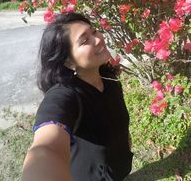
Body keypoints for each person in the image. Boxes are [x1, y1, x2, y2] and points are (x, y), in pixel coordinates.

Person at [22, 12, 133, 181]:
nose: (98, 40)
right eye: (84, 40)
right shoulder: (65, 95)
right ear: (68, 61)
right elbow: (46, 149)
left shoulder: (108, 77)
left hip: (119, 168)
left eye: (94, 31)